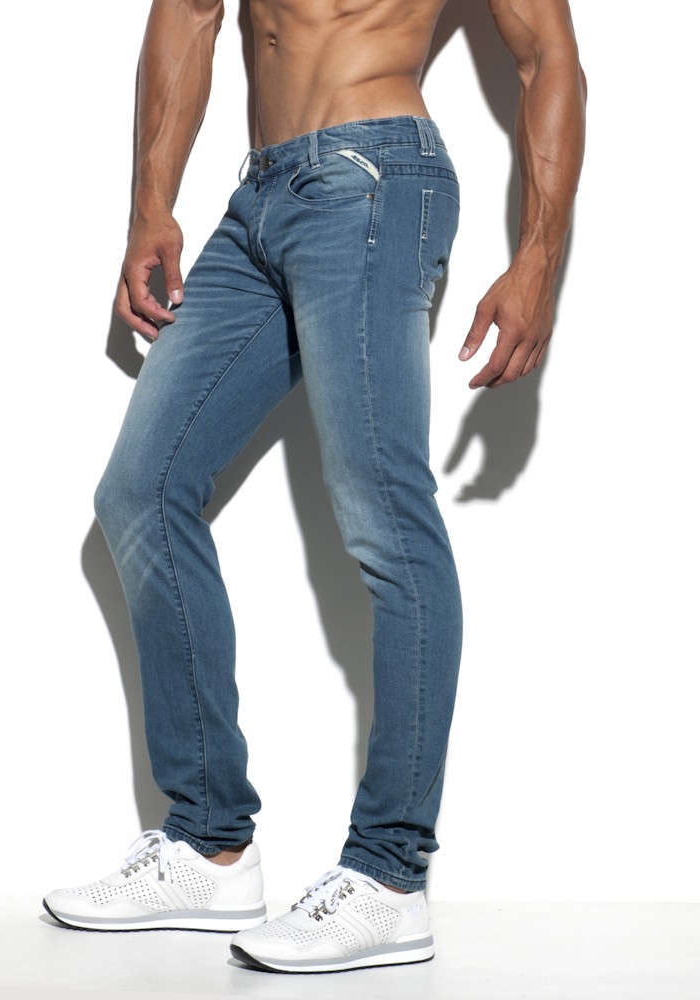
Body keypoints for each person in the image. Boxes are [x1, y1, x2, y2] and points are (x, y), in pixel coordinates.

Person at [44, 0, 586, 973]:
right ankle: (210, 844)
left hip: (375, 178)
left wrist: (538, 260)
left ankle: (390, 874)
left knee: (384, 514)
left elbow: (549, 54)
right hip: (257, 198)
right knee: (140, 490)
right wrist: (150, 202)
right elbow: (189, 13)